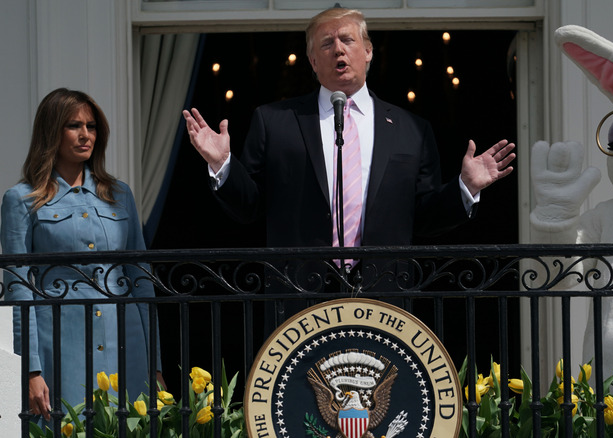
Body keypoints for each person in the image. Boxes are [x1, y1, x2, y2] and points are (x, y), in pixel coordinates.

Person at [182, 7, 515, 294]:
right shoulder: (275, 121)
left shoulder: (411, 129)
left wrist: (464, 188)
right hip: (299, 294)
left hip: (383, 295)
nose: (338, 49)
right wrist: (223, 164)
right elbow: (249, 205)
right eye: (326, 44)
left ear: (368, 51)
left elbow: (424, 217)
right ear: (313, 61)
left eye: (348, 40)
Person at [1, 88, 163, 421]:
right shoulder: (21, 199)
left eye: (91, 126)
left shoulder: (120, 194)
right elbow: (18, 288)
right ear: (51, 132)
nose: (86, 134)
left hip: (126, 342)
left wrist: (154, 363)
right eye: (74, 125)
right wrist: (30, 369)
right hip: (59, 345)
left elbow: (141, 280)